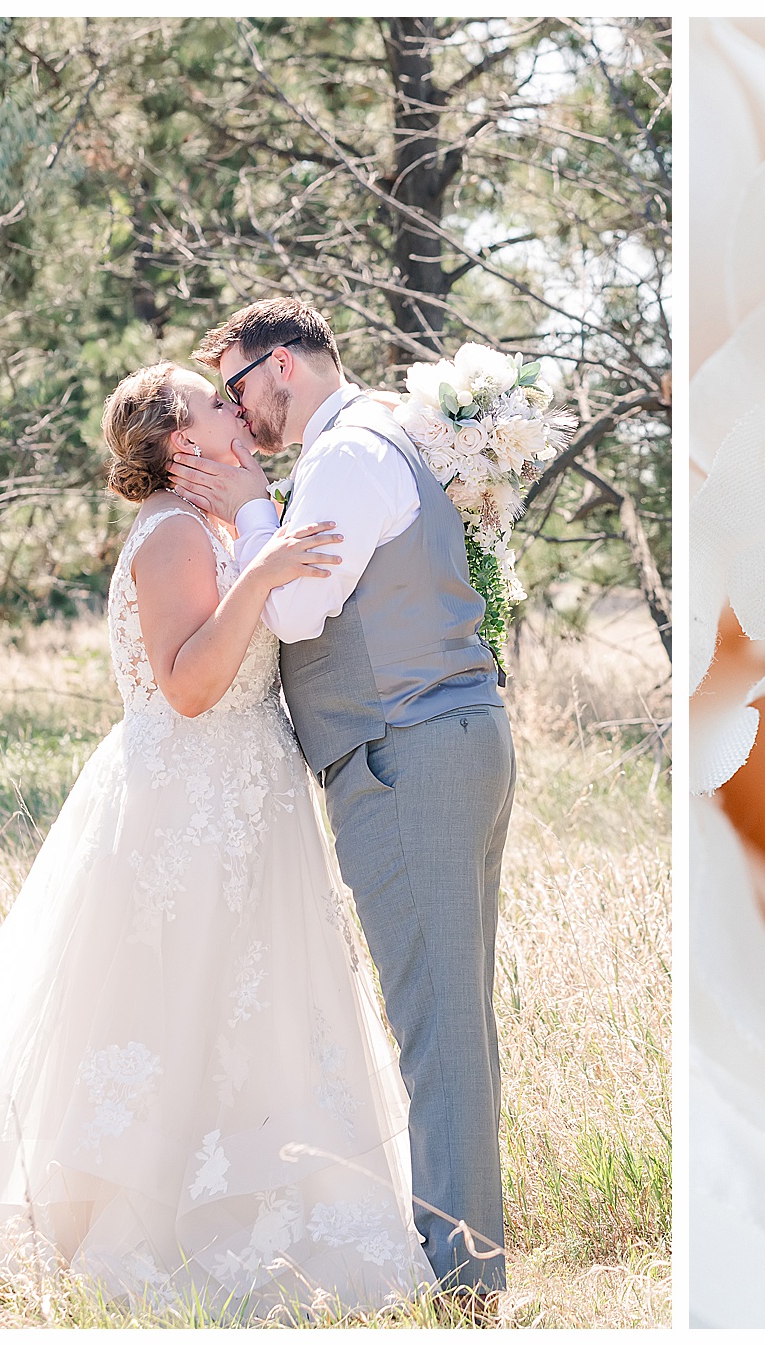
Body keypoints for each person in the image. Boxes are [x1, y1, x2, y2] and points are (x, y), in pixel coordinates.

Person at [0, 361, 436, 1318]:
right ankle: (148, 1228)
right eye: (215, 401)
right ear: (184, 443)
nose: (235, 408)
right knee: (175, 1004)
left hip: (244, 797)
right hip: (186, 801)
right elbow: (188, 689)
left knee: (245, 1009)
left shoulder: (222, 523)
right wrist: (264, 572)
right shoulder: (179, 534)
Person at [170, 299, 515, 1307]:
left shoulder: (345, 455)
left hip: (407, 751)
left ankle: (463, 1279)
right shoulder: (379, 440)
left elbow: (295, 605)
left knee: (437, 1023)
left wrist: (245, 504)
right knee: (451, 1013)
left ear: (282, 366)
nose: (241, 416)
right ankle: (467, 1257)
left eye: (237, 387)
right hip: (438, 740)